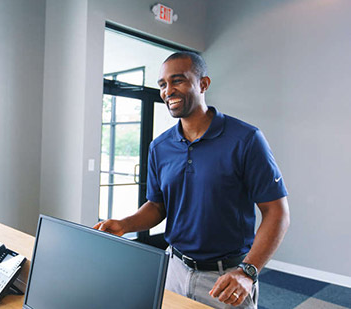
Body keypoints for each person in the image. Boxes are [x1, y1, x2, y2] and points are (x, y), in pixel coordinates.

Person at [94, 51, 290, 309]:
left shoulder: (246, 139)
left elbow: (277, 212)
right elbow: (157, 206)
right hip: (173, 269)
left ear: (203, 84)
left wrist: (248, 272)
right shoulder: (159, 147)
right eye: (163, 84)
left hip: (226, 277)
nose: (168, 91)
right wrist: (124, 224)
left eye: (178, 81)